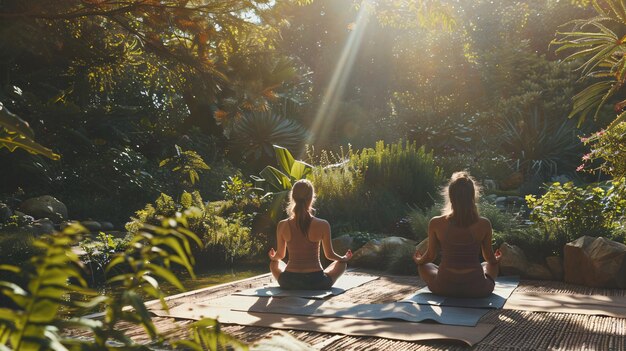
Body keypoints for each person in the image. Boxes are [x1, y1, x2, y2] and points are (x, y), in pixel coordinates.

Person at [413, 171, 502, 297]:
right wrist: (497, 259)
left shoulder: (436, 223)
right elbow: (489, 258)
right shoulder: (484, 224)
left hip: (444, 286)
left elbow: (430, 256)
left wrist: (418, 260)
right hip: (477, 288)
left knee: (424, 266)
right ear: (472, 196)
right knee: (489, 265)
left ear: (451, 196)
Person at [268, 179, 352, 290]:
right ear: (311, 198)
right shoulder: (323, 224)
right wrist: (344, 258)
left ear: (292, 197)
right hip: (317, 281)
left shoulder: (282, 225)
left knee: (274, 263)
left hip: (289, 281)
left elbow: (280, 255)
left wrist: (273, 257)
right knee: (342, 264)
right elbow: (330, 255)